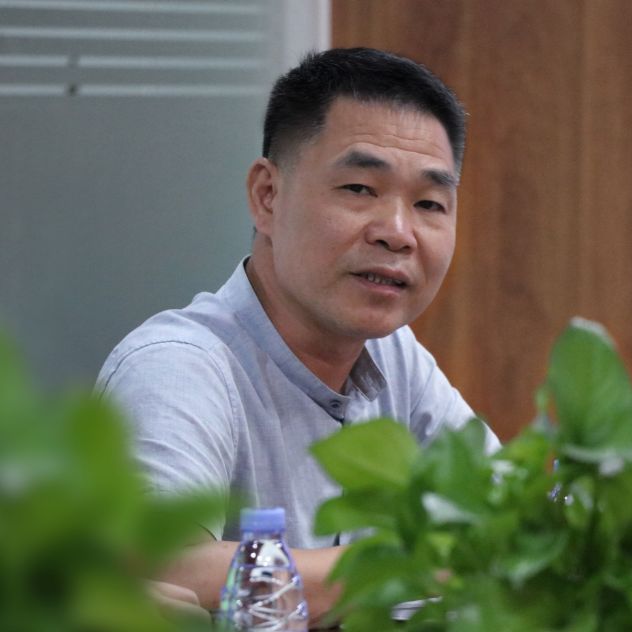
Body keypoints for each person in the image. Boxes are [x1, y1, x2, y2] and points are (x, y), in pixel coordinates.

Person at [96, 47, 499, 622]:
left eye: (430, 203)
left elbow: (512, 525)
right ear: (267, 196)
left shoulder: (395, 357)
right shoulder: (178, 365)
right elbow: (155, 565)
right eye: (359, 189)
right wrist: (403, 566)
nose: (397, 232)